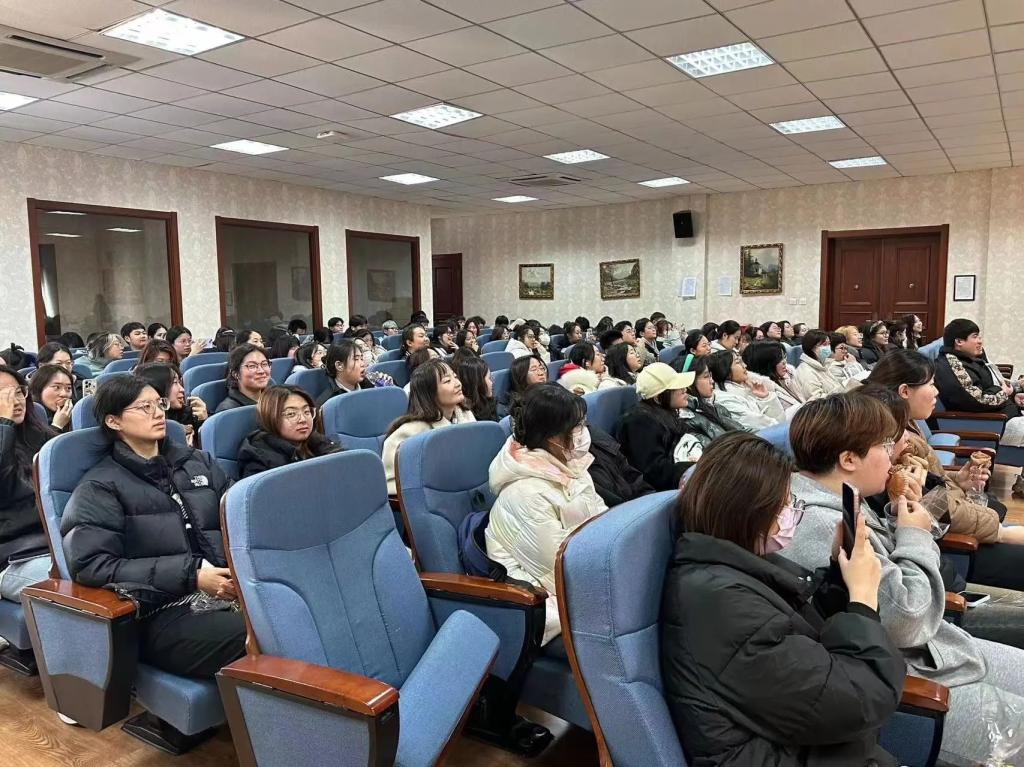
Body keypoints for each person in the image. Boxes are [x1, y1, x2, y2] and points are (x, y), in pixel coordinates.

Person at [782, 392, 1024, 766]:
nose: (894, 454)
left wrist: (902, 516)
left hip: (937, 650)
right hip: (911, 679)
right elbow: (907, 619)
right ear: (848, 459)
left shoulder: (845, 499)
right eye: (884, 444)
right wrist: (914, 533)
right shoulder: (820, 524)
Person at [662, 431, 904, 766]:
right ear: (748, 512)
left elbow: (806, 643)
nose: (792, 513)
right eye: (785, 504)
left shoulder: (734, 570)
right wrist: (862, 601)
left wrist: (840, 575)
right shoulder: (719, 603)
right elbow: (862, 700)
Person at [60, 376, 245, 679]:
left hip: (232, 591)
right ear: (114, 421)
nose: (159, 413)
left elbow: (240, 517)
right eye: (144, 407)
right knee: (262, 634)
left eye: (159, 404)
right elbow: (92, 564)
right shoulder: (100, 486)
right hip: (163, 611)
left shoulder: (197, 461)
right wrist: (192, 576)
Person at [486, 384, 607, 645]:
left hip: (585, 584)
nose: (583, 433)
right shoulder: (525, 494)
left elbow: (605, 522)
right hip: (549, 610)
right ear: (552, 436)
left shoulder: (570, 467)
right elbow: (559, 573)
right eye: (576, 427)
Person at [0, 369, 56, 609]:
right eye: (2, 394)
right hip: (12, 556)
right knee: (73, 588)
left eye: (18, 392)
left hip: (56, 543)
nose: (14, 400)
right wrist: (3, 424)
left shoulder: (39, 436)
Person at [381, 360, 475, 494]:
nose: (458, 383)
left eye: (455, 376)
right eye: (447, 381)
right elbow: (393, 487)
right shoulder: (408, 434)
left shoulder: (465, 415)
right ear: (429, 393)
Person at [616, 362, 695, 491]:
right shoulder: (639, 422)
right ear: (658, 398)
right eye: (677, 387)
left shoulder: (665, 412)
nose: (684, 389)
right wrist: (693, 466)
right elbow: (654, 473)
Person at [237, 385, 340, 478]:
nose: (303, 419)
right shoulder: (259, 458)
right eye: (291, 414)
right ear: (271, 417)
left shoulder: (317, 441)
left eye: (306, 412)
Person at [675, 356, 745, 462]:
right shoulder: (687, 420)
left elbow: (742, 432)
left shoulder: (712, 406)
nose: (712, 381)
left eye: (710, 375)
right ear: (689, 383)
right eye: (706, 376)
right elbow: (723, 455)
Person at [708, 350, 785, 430]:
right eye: (738, 362)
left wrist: (766, 398)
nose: (745, 365)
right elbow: (765, 425)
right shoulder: (726, 399)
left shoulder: (747, 387)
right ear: (724, 369)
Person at [134, 362, 207, 446]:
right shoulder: (143, 423)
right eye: (175, 383)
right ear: (158, 387)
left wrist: (202, 423)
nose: (182, 389)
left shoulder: (188, 414)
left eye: (180, 383)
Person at [743, 341, 804, 413]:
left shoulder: (789, 376)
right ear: (765, 363)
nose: (784, 362)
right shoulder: (761, 393)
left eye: (784, 357)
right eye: (779, 359)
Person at [315, 341, 374, 406]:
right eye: (356, 359)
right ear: (339, 365)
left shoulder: (370, 387)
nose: (363, 364)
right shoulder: (328, 402)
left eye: (362, 359)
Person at [217, 343, 271, 413]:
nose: (261, 371)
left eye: (264, 364)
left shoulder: (274, 399)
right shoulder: (228, 411)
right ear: (236, 374)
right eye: (252, 366)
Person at [794, 329, 843, 400]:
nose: (828, 347)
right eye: (824, 344)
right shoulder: (806, 371)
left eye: (829, 344)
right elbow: (816, 400)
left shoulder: (823, 365)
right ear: (812, 347)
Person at [28, 364, 74, 432]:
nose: (64, 394)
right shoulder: (28, 417)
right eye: (57, 387)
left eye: (68, 388)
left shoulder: (74, 414)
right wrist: (57, 426)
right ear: (39, 388)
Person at [456, 354, 497, 422]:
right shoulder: (465, 416)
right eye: (489, 378)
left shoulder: (490, 403)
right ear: (478, 382)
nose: (492, 382)